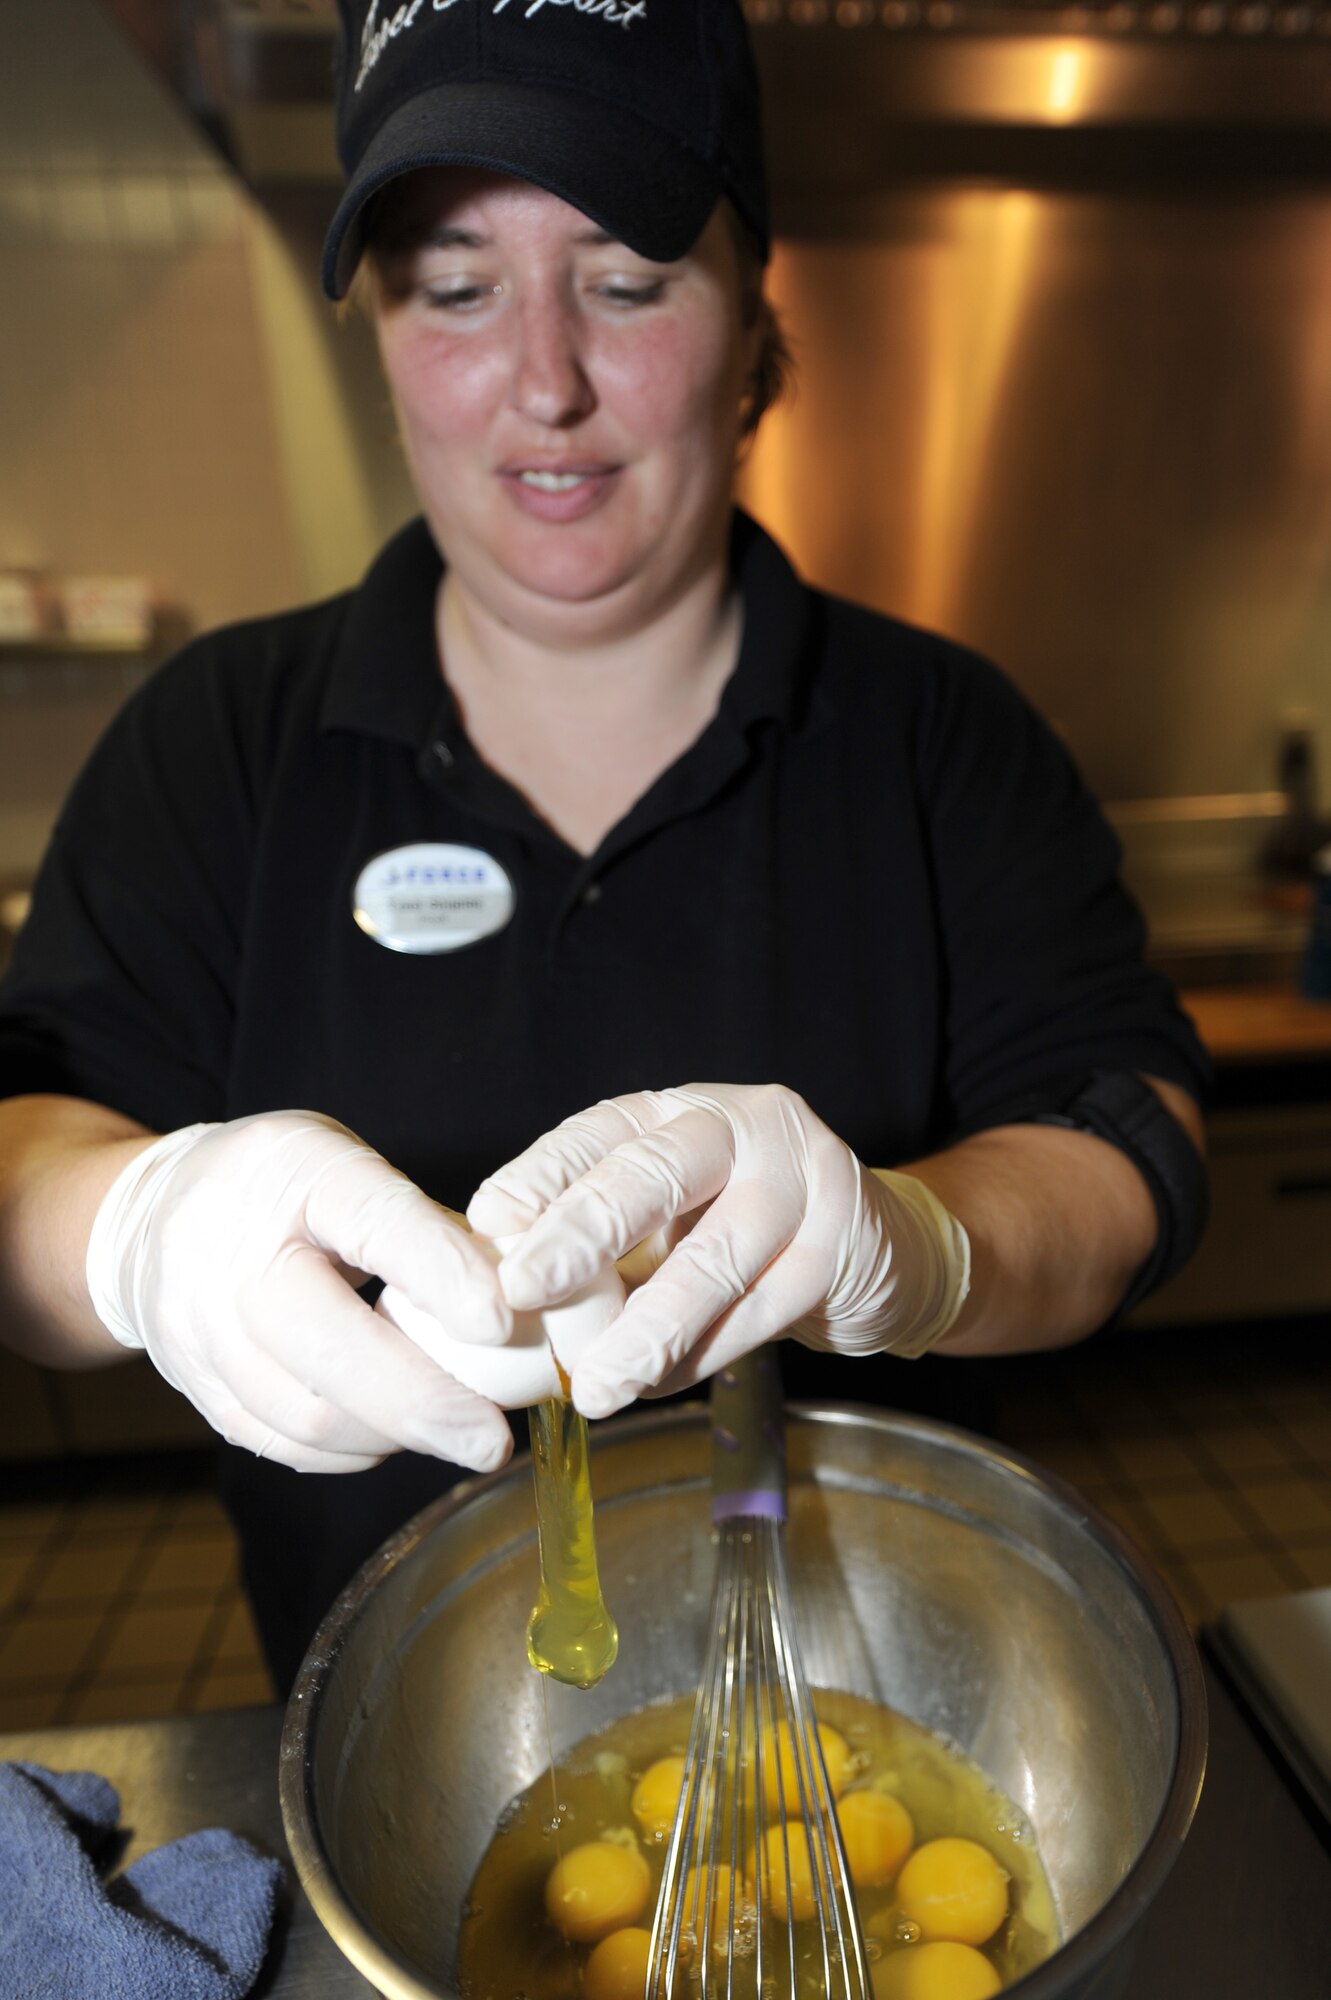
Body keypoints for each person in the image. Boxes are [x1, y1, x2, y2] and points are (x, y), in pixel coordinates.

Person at [0, 0, 1208, 1693]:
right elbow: (24, 1154)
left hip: (871, 1713)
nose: (545, 380)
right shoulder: (217, 746)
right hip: (402, 1729)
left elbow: (1133, 1137)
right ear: (383, 333)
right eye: (457, 284)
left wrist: (921, 1240)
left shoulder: (945, 736)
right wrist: (138, 1231)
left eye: (628, 278)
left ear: (753, 320)